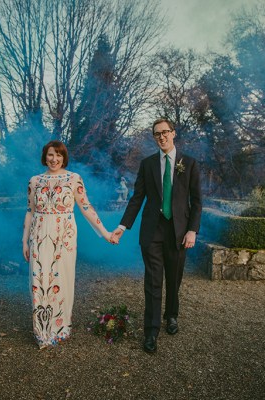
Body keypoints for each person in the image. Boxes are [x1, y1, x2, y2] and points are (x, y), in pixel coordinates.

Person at [111, 118, 202, 354]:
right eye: (156, 134)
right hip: (152, 232)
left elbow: (197, 201)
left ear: (173, 133)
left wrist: (192, 230)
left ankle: (171, 315)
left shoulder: (189, 164)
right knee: (153, 282)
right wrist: (123, 226)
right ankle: (151, 331)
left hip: (179, 232)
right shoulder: (147, 164)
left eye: (164, 132)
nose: (161, 137)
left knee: (174, 278)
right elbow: (137, 198)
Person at [22, 140, 114, 349]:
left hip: (64, 237)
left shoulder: (73, 179)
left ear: (64, 157)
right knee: (39, 281)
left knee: (60, 279)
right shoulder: (34, 181)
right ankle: (42, 331)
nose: (54, 159)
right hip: (38, 236)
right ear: (44, 156)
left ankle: (60, 327)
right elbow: (30, 211)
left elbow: (86, 208)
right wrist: (24, 241)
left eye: (58, 155)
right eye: (50, 155)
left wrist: (106, 233)